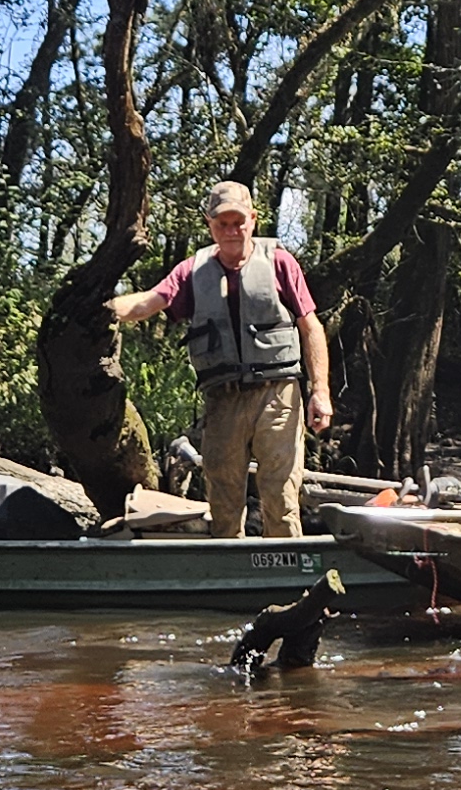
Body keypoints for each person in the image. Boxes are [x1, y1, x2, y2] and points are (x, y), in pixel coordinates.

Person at [104, 180, 336, 536]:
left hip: (277, 394)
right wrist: (99, 310)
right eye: (221, 223)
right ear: (209, 225)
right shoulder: (192, 271)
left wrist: (320, 390)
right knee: (223, 498)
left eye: (237, 222)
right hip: (223, 398)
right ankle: (231, 573)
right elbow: (148, 302)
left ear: (253, 219)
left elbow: (310, 326)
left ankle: (287, 576)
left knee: (279, 494)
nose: (230, 231)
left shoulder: (278, 262)